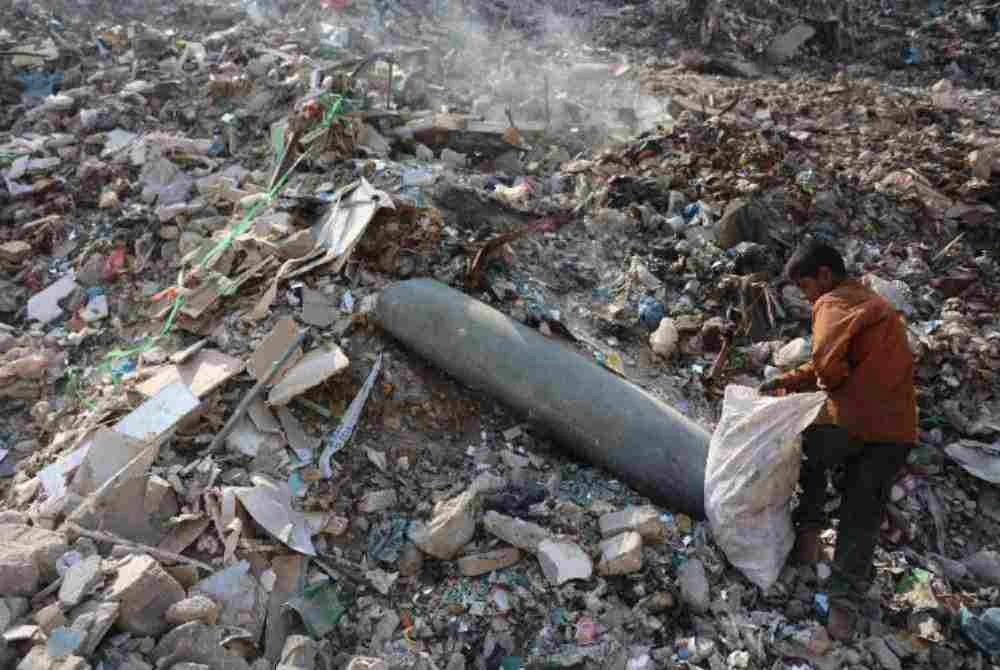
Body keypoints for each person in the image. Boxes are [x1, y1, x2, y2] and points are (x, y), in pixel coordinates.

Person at [759, 240, 917, 640]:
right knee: (862, 513)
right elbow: (831, 360)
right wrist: (791, 381)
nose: (807, 296)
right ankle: (843, 610)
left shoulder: (832, 303)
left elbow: (828, 365)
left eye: (806, 286)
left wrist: (823, 384)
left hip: (852, 423)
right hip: (897, 432)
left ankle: (808, 534)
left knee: (803, 444)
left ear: (825, 276)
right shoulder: (875, 306)